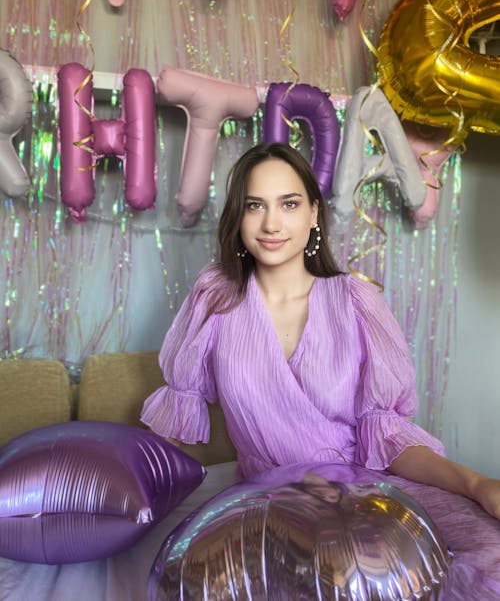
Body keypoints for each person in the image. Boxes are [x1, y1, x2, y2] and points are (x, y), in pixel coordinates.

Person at [141, 142, 500, 597]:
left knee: (491, 552)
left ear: (313, 213)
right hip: (272, 501)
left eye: (289, 204)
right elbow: (174, 423)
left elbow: (386, 434)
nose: (271, 224)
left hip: (367, 489)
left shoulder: (355, 302)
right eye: (255, 206)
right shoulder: (215, 298)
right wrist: (122, 488)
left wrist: (476, 483)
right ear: (239, 217)